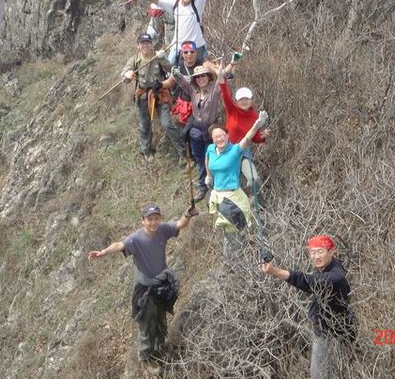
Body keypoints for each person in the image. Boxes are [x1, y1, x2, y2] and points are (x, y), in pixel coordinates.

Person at [88, 203, 199, 374]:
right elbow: (119, 245)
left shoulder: (163, 229)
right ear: (143, 221)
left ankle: (159, 349)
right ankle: (146, 359)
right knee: (147, 325)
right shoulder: (136, 239)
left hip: (161, 285)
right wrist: (103, 252)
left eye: (156, 218)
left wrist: (188, 214)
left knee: (161, 321)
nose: (153, 222)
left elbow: (179, 224)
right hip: (145, 289)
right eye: (150, 219)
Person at [261, 235, 356, 379]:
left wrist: (275, 271)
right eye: (313, 252)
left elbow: (309, 281)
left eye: (320, 252)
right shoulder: (327, 267)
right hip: (326, 330)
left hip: (330, 334)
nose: (316, 256)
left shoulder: (336, 276)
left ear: (331, 252)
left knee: (319, 375)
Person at [166, 62, 236, 202]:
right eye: (198, 77)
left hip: (211, 131)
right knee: (199, 159)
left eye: (203, 75)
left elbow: (222, 77)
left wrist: (232, 63)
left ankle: (216, 187)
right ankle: (203, 187)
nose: (201, 79)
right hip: (196, 131)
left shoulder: (215, 89)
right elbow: (180, 78)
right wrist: (169, 66)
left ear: (208, 76)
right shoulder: (193, 90)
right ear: (195, 79)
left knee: (212, 159)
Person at [205, 111, 268, 264]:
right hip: (218, 196)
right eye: (216, 137)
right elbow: (207, 160)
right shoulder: (211, 149)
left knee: (233, 232)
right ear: (212, 140)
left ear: (227, 135)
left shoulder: (234, 150)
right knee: (229, 232)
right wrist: (208, 175)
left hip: (232, 197)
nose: (219, 139)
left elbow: (247, 138)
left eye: (222, 135)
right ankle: (234, 261)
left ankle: (236, 263)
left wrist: (257, 124)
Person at [120, 33, 185, 163]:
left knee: (167, 124)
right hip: (143, 96)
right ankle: (146, 151)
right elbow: (124, 77)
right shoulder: (135, 60)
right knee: (145, 125)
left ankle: (183, 151)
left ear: (151, 44)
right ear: (138, 46)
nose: (145, 45)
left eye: (147, 43)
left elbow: (171, 69)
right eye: (142, 43)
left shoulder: (158, 56)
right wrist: (127, 76)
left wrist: (163, 58)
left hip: (160, 94)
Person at [117, 0, 195, 50]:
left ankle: (172, 47)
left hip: (168, 14)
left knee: (170, 35)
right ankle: (149, 50)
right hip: (156, 15)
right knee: (151, 34)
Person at [149, 0, 209, 65]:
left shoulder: (197, 5)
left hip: (197, 46)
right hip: (178, 46)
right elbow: (157, 1)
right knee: (170, 69)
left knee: (205, 69)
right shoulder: (174, 4)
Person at [219, 73, 269, 196]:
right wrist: (221, 78)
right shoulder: (232, 110)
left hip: (244, 152)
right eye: (241, 99)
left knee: (254, 179)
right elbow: (225, 94)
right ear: (236, 101)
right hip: (228, 150)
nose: (244, 101)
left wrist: (263, 137)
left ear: (251, 100)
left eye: (247, 98)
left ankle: (257, 202)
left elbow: (255, 138)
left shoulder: (254, 116)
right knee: (228, 183)